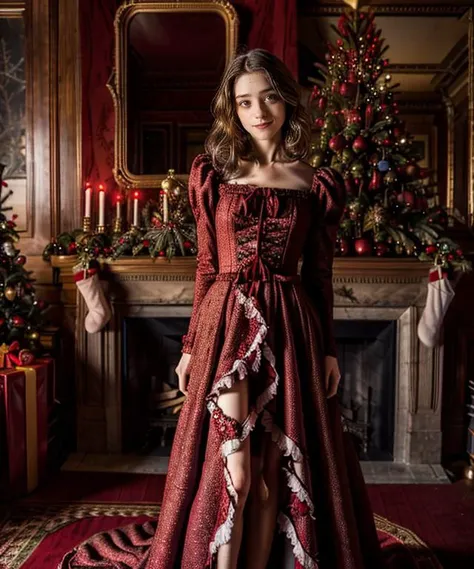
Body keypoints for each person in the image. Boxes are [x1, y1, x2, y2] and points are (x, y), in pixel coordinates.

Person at [60, 49, 384, 569]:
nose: (258, 112)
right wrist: (191, 345)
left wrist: (327, 351)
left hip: (291, 328)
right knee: (235, 468)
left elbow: (320, 277)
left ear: (286, 101)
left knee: (271, 474)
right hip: (227, 322)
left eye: (269, 98)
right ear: (232, 109)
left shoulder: (315, 183)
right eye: (245, 102)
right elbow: (208, 268)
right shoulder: (212, 174)